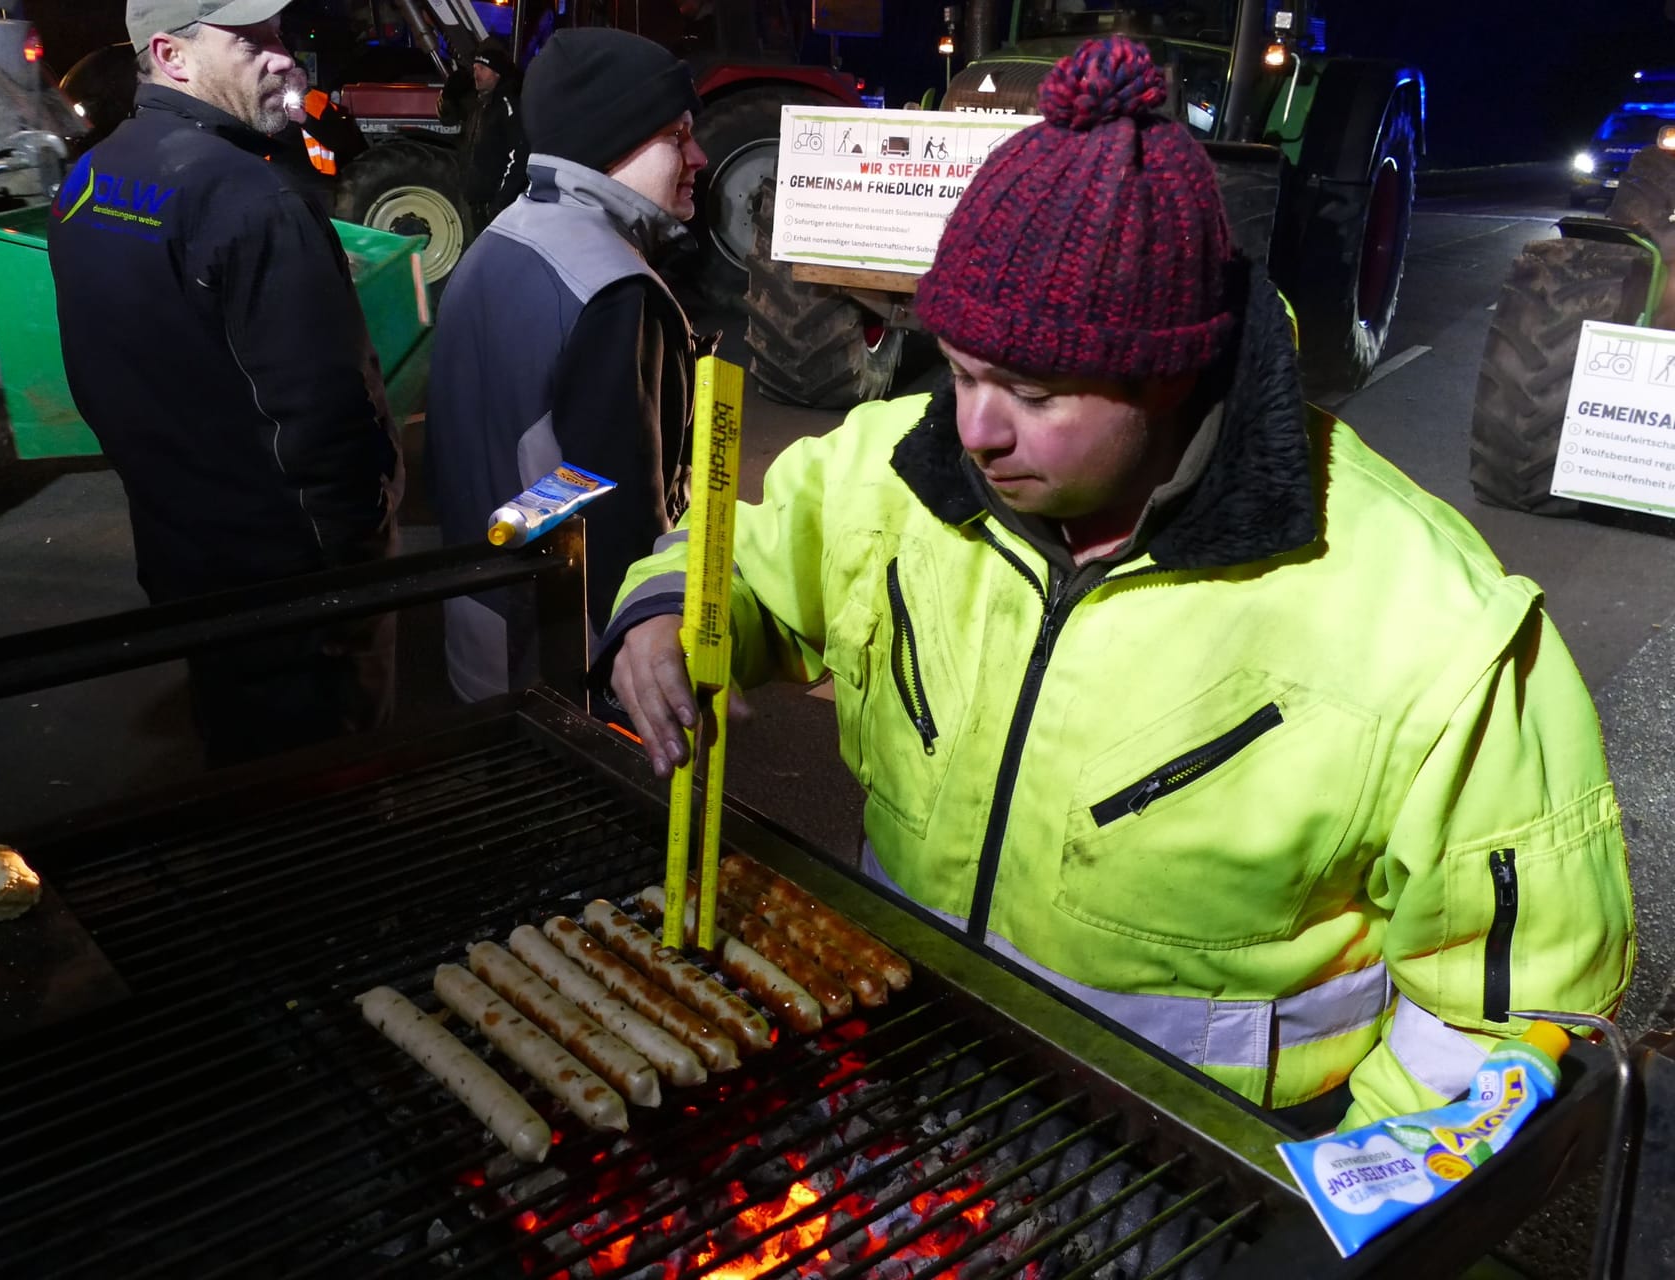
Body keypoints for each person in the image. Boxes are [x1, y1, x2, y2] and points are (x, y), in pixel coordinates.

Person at [601, 37, 1634, 1133]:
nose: (975, 429)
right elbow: (746, 558)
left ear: (1172, 371)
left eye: (1037, 393)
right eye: (958, 369)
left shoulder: (1430, 627)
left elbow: (1513, 1011)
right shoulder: (900, 466)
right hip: (900, 1067)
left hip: (1197, 1171)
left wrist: (1335, 1199)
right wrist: (665, 615)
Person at [49, 0, 401, 768]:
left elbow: (100, 382)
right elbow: (325, 417)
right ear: (173, 58)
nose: (283, 58)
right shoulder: (254, 199)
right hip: (293, 591)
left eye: (278, 36)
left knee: (243, 776)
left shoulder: (93, 178)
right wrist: (353, 577)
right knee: (326, 806)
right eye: (250, 41)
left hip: (187, 563)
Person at [426, 27, 707, 704]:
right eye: (677, 136)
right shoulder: (611, 290)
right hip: (568, 653)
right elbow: (617, 506)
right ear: (615, 139)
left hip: (480, 616)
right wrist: (642, 655)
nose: (699, 156)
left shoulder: (505, 235)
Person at [436, 36, 528, 228]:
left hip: (495, 207)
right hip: (476, 203)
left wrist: (500, 202)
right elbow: (450, 120)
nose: (476, 73)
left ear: (497, 74)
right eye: (475, 68)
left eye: (483, 69)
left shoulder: (507, 106)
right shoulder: (479, 106)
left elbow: (519, 156)